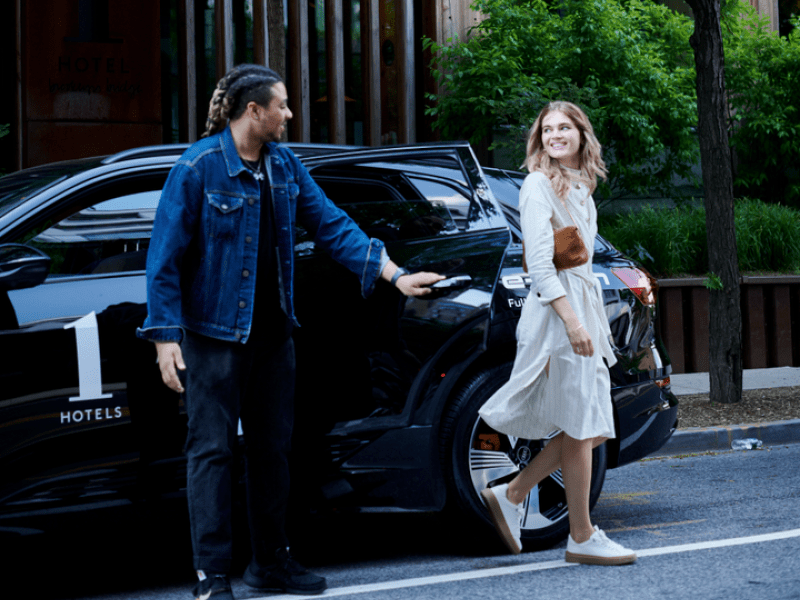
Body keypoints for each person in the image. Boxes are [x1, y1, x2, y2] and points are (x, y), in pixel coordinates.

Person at [136, 64, 443, 600]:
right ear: (253, 111)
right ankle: (212, 578)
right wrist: (165, 337)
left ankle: (270, 563)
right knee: (210, 452)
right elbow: (164, 257)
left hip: (274, 336)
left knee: (272, 450)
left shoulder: (284, 166)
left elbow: (333, 226)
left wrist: (395, 275)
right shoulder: (199, 168)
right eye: (281, 105)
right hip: (212, 336)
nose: (289, 114)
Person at [477, 101, 636, 566]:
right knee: (584, 422)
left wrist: (588, 321)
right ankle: (581, 537)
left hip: (581, 311)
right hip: (557, 318)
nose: (555, 136)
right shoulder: (536, 186)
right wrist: (572, 322)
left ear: (581, 134)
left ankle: (514, 491)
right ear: (539, 139)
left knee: (587, 425)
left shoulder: (581, 187)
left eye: (564, 127)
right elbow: (541, 269)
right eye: (547, 130)